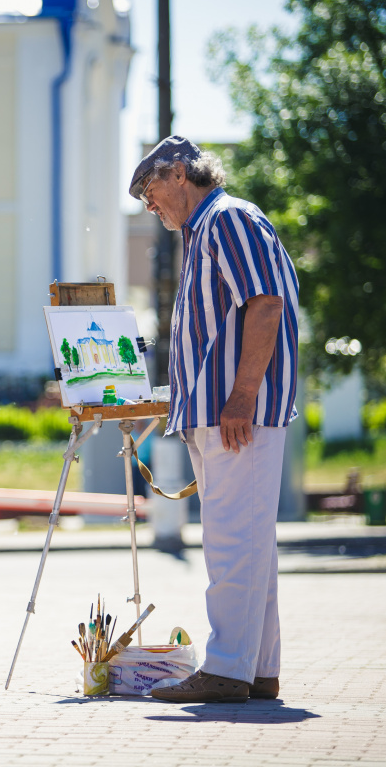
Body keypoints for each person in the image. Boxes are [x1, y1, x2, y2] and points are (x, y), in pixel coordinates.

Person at [129, 136, 299, 704]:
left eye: (150, 190)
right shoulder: (208, 227)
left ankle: (227, 669)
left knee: (232, 546)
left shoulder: (226, 218)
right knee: (249, 547)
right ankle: (257, 670)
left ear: (179, 173)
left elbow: (266, 303)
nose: (149, 205)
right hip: (222, 413)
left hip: (235, 415)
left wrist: (242, 396)